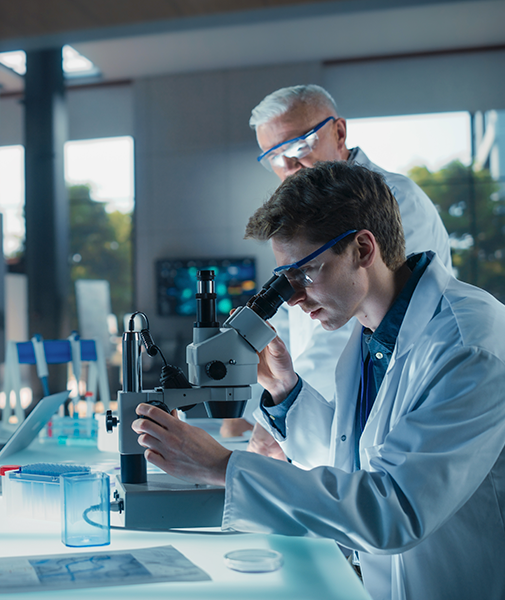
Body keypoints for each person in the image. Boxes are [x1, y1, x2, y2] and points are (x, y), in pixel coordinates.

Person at [134, 162, 505, 600]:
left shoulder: (468, 343)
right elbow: (355, 465)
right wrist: (287, 393)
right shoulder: (369, 333)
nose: (292, 298)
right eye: (283, 280)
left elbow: (394, 510)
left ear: (363, 250)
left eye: (304, 272)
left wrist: (221, 466)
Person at [221, 84, 452, 454]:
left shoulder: (391, 199)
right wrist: (261, 409)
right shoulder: (304, 221)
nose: (289, 165)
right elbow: (296, 326)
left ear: (339, 132)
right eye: (275, 157)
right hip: (338, 411)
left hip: (399, 395)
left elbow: (345, 325)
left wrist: (273, 429)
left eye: (298, 147)